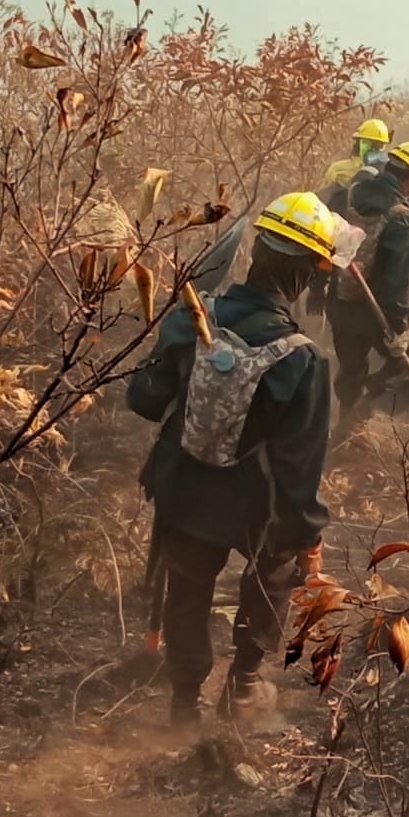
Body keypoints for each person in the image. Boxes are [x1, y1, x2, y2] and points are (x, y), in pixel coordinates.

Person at [126, 192, 340, 727]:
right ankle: (242, 688)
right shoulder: (304, 359)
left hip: (185, 488)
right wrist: (306, 534)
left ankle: (183, 702)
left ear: (256, 251)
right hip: (256, 504)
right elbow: (300, 468)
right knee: (274, 572)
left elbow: (142, 400)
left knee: (188, 585)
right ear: (306, 273)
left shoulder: (191, 317)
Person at [326, 140, 409, 418]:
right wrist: (398, 330)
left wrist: (317, 292)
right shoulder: (403, 220)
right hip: (375, 315)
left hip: (339, 302)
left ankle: (345, 419)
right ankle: (366, 409)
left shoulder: (347, 196)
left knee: (350, 366)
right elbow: (398, 283)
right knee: (396, 364)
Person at [322, 118, 391, 192]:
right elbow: (323, 195)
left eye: (377, 145)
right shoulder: (338, 170)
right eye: (366, 142)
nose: (371, 148)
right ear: (358, 143)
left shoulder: (388, 175)